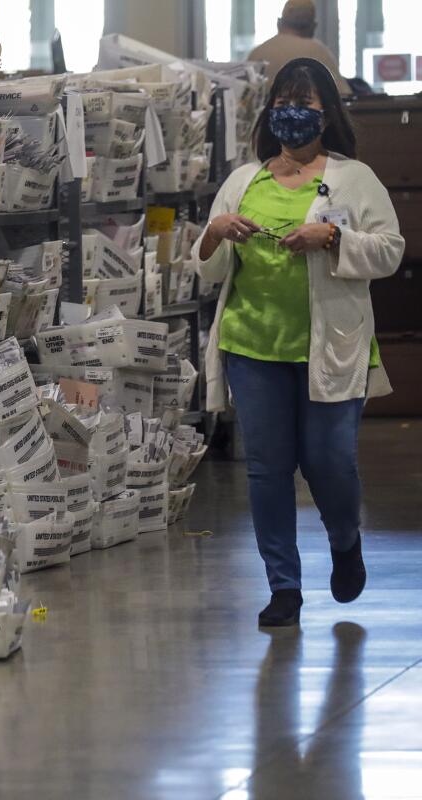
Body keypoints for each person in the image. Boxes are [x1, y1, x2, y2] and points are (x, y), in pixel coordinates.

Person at [192, 57, 404, 628]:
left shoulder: (353, 178)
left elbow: (390, 251)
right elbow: (208, 272)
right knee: (267, 469)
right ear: (270, 111)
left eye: (306, 104)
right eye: (284, 102)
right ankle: (283, 586)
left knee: (330, 461)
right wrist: (215, 231)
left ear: (326, 114)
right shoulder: (243, 181)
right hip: (252, 346)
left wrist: (332, 235)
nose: (294, 114)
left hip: (328, 347)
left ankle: (344, 538)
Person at [248, 0, 351, 96]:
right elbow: (343, 97)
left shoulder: (257, 54)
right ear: (313, 27)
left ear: (279, 23)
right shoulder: (318, 53)